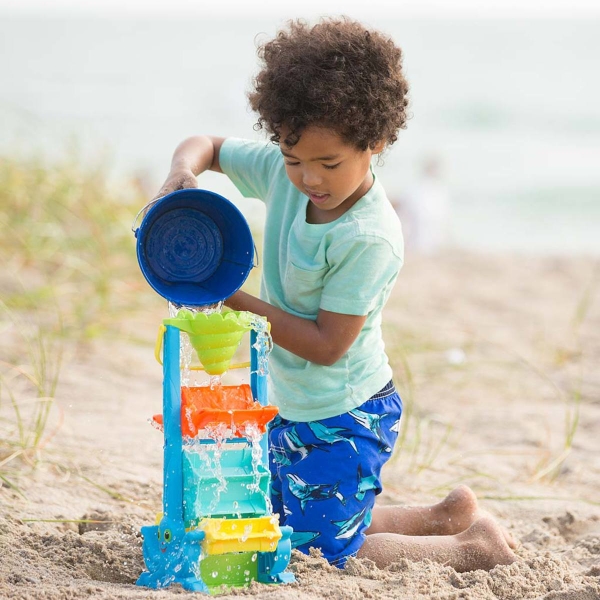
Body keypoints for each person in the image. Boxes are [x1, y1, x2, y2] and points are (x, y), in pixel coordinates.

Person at [152, 17, 517, 572]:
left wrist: (232, 297)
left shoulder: (368, 237)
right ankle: (445, 515)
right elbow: (207, 144)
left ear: (375, 143)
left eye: (329, 164)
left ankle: (472, 547)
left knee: (318, 548)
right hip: (291, 403)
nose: (309, 178)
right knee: (275, 520)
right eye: (295, 159)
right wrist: (183, 169)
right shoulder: (283, 170)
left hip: (348, 412)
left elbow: (326, 345)